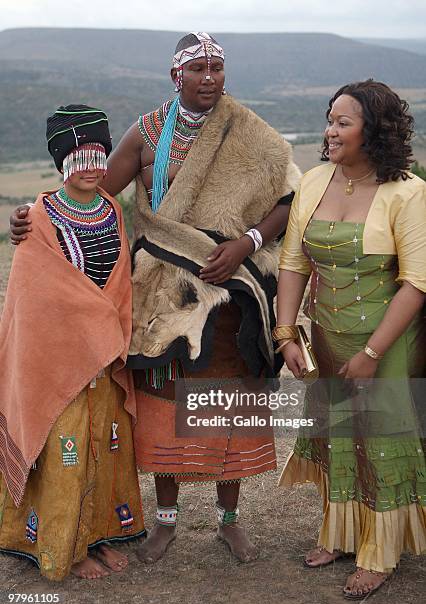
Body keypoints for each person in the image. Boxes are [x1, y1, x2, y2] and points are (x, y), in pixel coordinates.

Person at [10, 32, 300, 563]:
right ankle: (164, 524)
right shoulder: (146, 135)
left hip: (228, 295)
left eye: (217, 67)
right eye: (198, 69)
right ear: (176, 77)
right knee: (166, 409)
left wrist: (245, 244)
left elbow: (287, 198)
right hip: (162, 301)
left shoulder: (249, 132)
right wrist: (34, 216)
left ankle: (230, 522)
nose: (209, 76)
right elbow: (92, 190)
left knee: (225, 411)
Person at [275, 79, 426, 599]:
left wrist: (371, 353)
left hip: (384, 344)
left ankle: (380, 553)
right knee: (338, 433)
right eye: (329, 119)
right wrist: (287, 332)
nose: (330, 131)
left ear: (375, 132)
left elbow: (416, 284)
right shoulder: (315, 181)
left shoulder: (406, 192)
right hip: (325, 337)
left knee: (380, 441)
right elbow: (293, 262)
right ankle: (340, 534)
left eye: (343, 123)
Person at [0, 105, 145, 581]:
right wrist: (84, 323)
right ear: (61, 162)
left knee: (105, 442)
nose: (89, 167)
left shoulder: (111, 209)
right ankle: (71, 545)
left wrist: (107, 326)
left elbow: (119, 282)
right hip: (61, 358)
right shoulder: (40, 216)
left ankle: (100, 535)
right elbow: (34, 294)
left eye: (97, 156)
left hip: (103, 355)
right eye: (78, 158)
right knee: (67, 447)